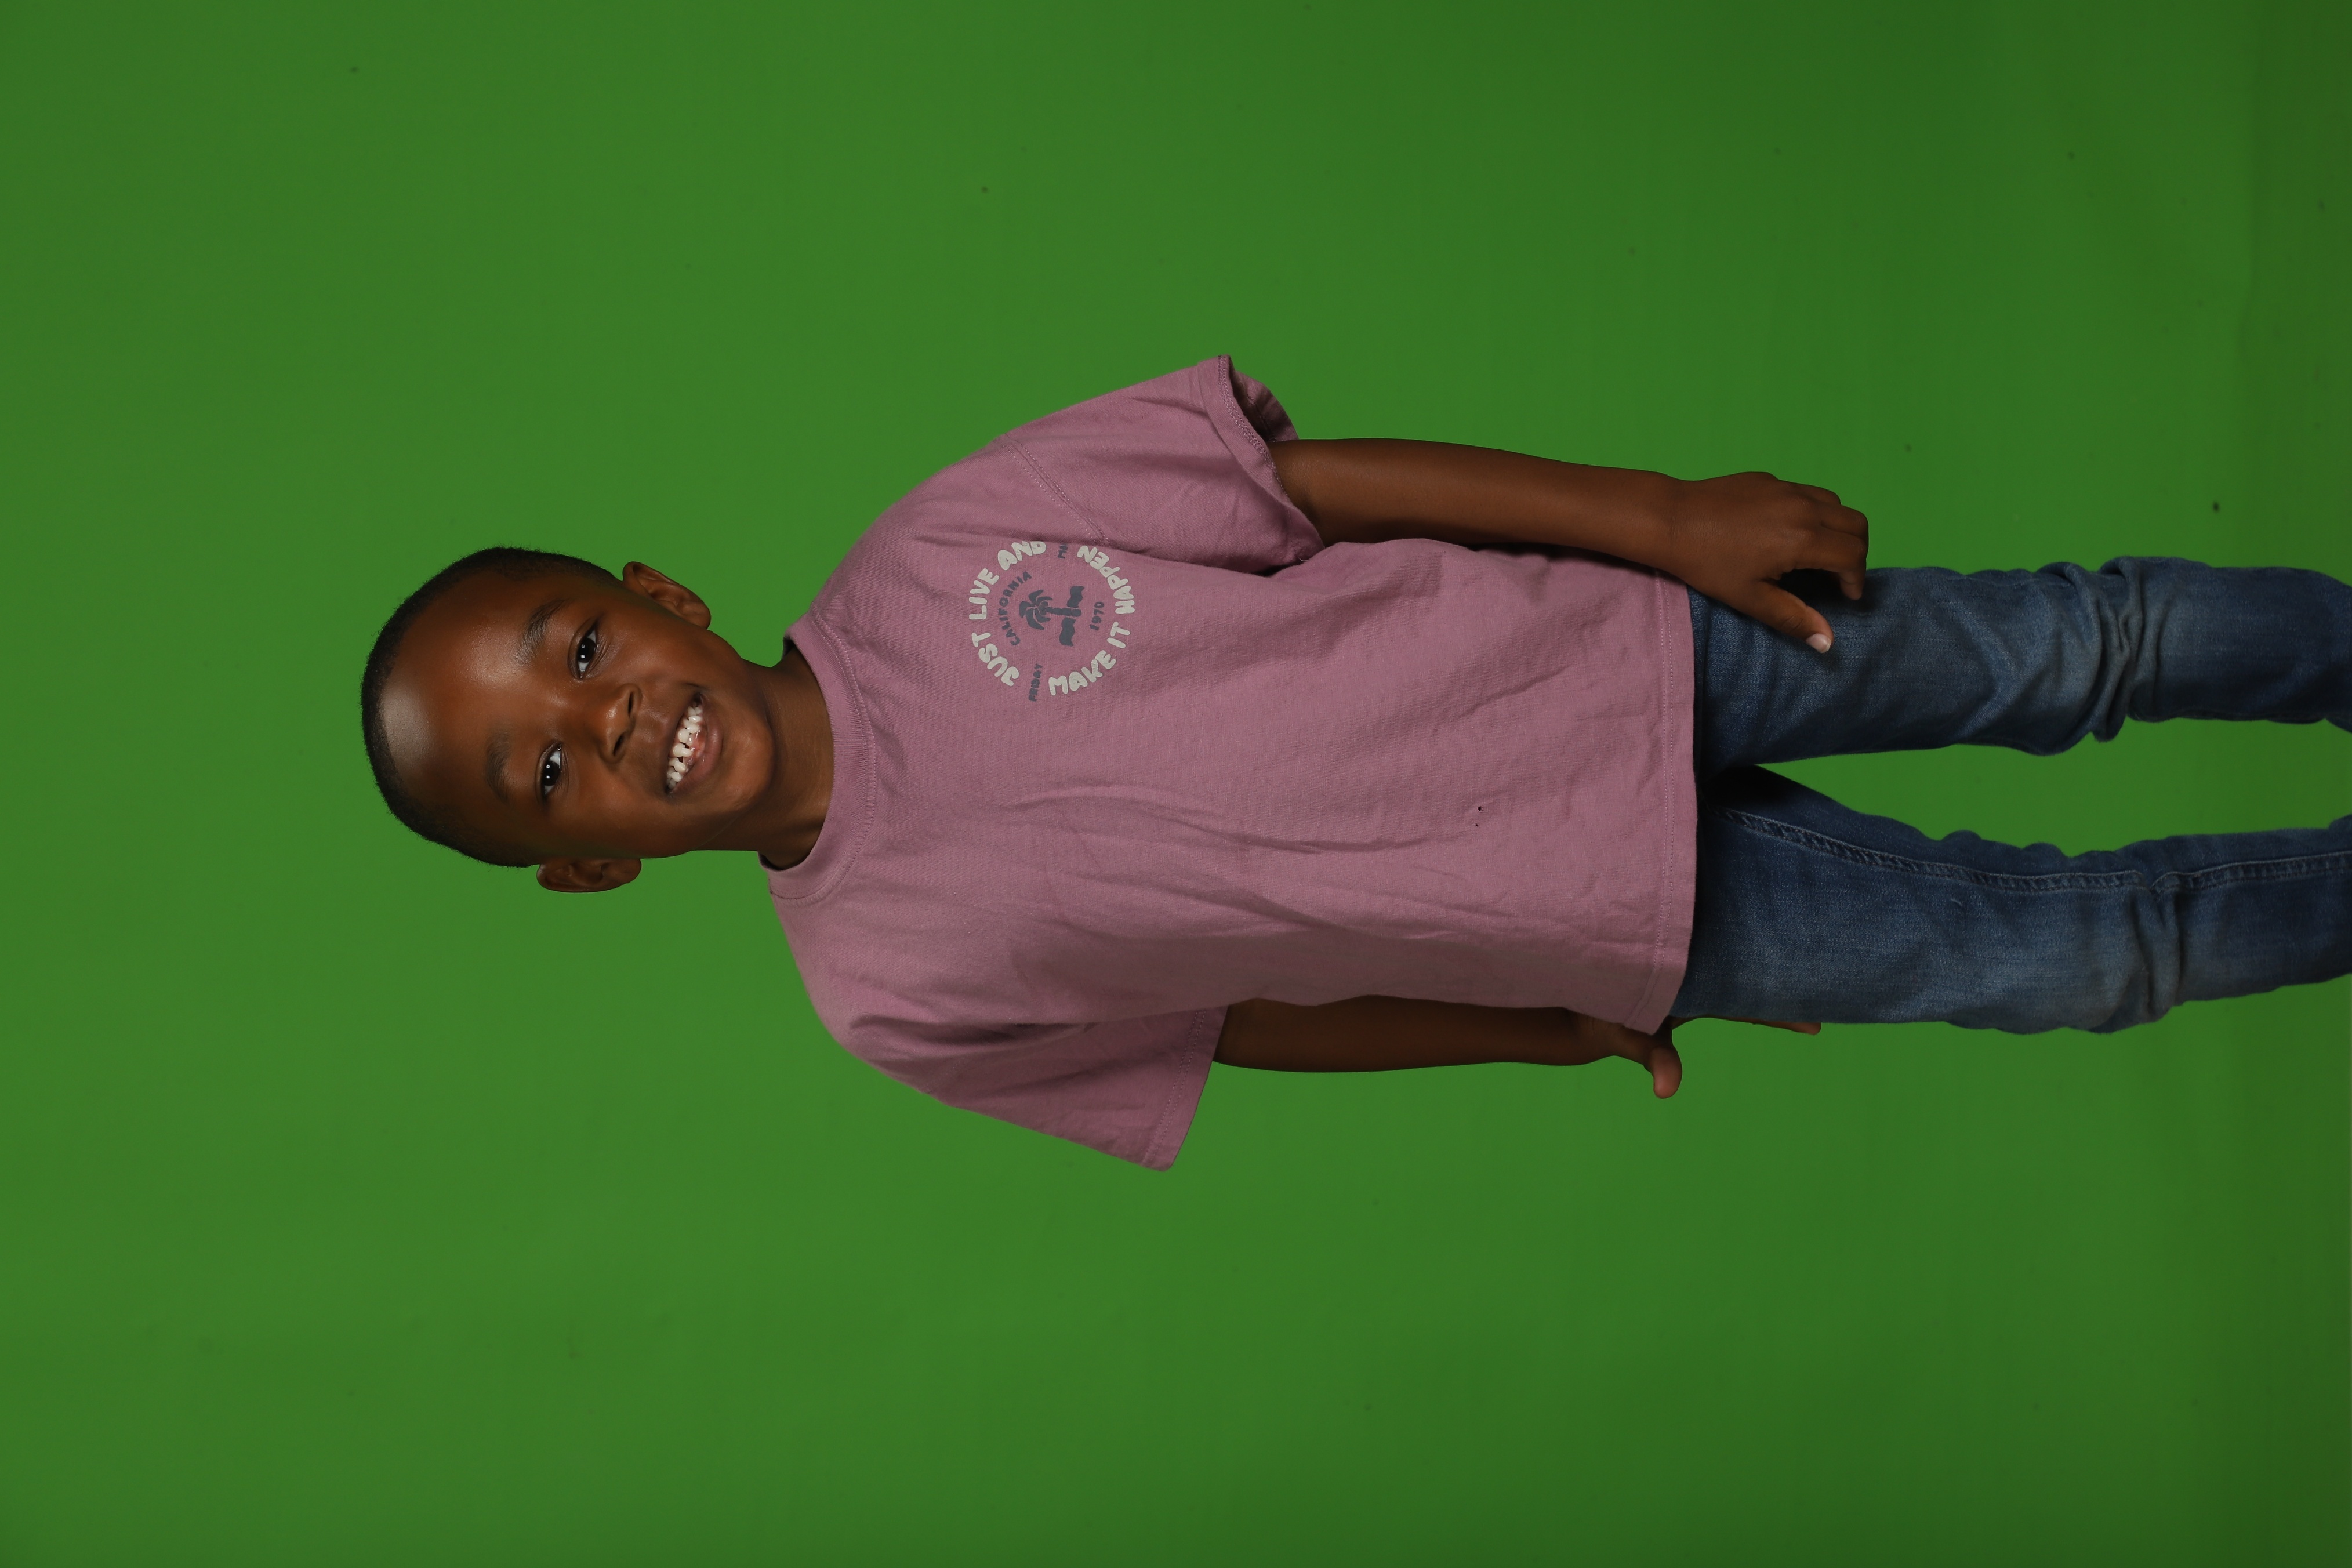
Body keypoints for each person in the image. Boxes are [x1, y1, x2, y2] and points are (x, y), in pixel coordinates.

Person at [358, 359, 2352, 1168]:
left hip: (1640, 648)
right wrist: (1535, 1033)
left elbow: (1298, 489)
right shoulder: (885, 994)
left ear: (654, 593)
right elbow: (1234, 1030)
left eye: (581, 652)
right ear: (589, 868)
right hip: (1608, 917)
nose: (603, 723)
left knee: (2079, 649)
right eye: (545, 778)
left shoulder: (938, 547)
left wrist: (1660, 519)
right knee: (2084, 956)